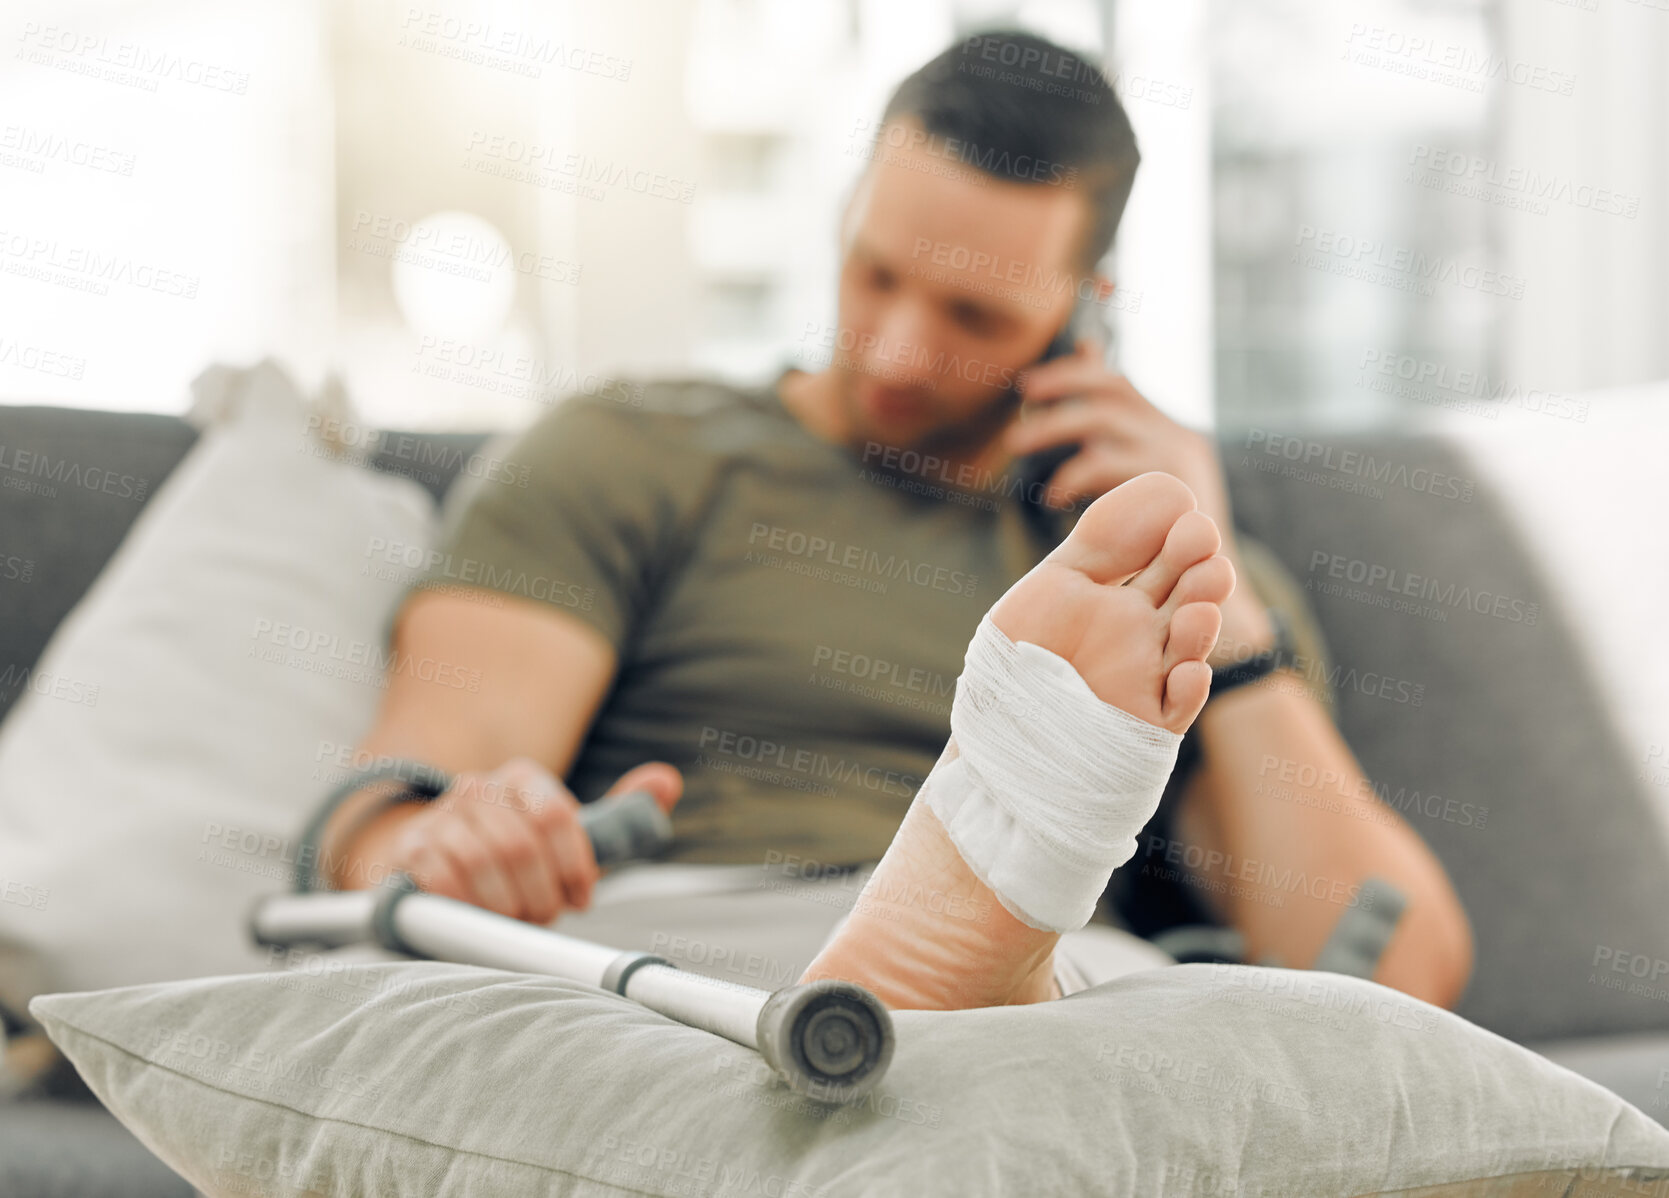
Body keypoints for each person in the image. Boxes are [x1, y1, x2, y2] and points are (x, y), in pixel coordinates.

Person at [315, 30, 1472, 1011]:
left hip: (1053, 989)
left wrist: (1226, 614)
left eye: (972, 311)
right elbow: (387, 815)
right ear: (845, 212)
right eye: (875, 274)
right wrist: (439, 844)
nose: (899, 352)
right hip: (704, 943)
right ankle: (897, 976)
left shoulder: (1167, 580)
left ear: (1084, 308)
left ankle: (946, 971)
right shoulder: (629, 449)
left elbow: (1390, 970)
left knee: (1128, 1014)